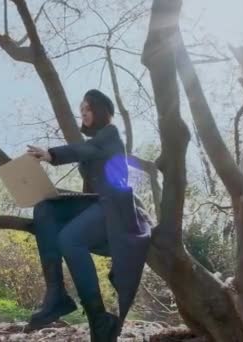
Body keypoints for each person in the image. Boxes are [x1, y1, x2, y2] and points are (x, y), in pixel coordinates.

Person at [26, 89, 151, 342]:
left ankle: (99, 319)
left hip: (117, 209)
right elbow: (88, 164)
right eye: (81, 110)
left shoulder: (110, 134)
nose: (82, 113)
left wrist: (52, 154)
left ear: (101, 111)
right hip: (97, 204)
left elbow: (87, 150)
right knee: (44, 208)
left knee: (70, 239)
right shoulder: (95, 144)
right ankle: (56, 295)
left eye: (88, 109)